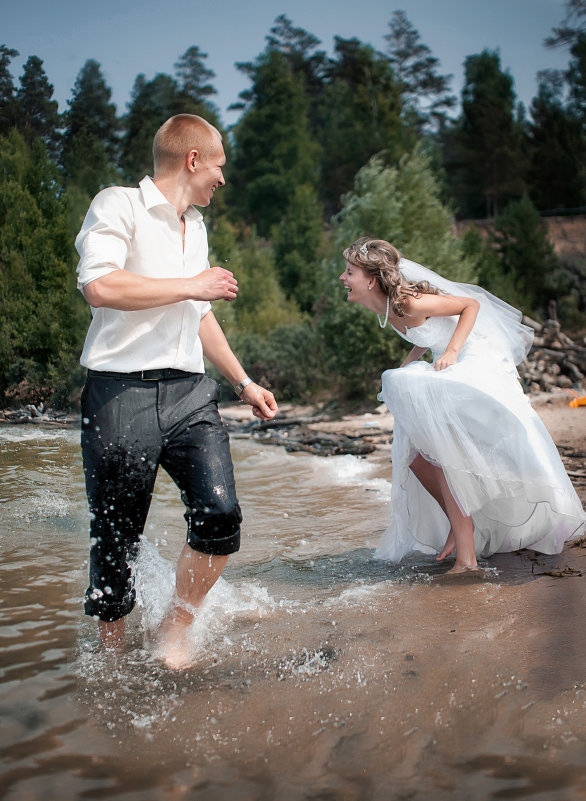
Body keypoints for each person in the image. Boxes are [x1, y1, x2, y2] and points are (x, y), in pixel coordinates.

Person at [76, 114, 277, 667]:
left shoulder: (198, 225)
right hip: (119, 394)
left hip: (191, 393)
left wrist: (242, 381)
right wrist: (193, 284)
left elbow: (199, 314)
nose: (222, 178)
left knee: (220, 516)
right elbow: (100, 285)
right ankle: (111, 662)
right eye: (219, 166)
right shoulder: (117, 204)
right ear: (193, 160)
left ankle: (174, 628)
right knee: (116, 535)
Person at [340, 237, 585, 575]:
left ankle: (466, 549)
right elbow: (423, 338)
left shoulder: (409, 302)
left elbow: (470, 305)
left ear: (370, 279)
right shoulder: (389, 310)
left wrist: (452, 351)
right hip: (449, 356)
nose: (343, 278)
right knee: (414, 455)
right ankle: (461, 528)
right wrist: (408, 363)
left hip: (473, 353)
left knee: (435, 447)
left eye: (349, 271)